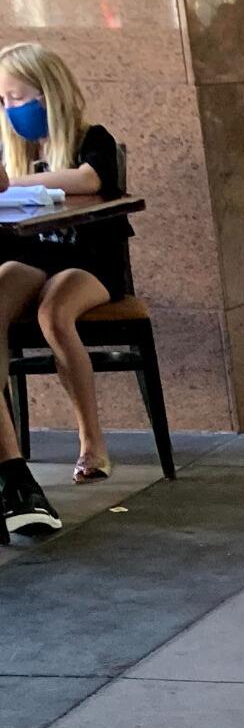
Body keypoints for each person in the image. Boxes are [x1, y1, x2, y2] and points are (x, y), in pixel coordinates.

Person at [0, 44, 132, 534]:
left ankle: (91, 441)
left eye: (18, 98)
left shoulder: (90, 138)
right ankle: (8, 453)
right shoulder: (13, 150)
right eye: (3, 101)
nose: (11, 109)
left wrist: (14, 183)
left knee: (53, 314)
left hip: (89, 260)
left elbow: (91, 179)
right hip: (34, 257)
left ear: (48, 93)